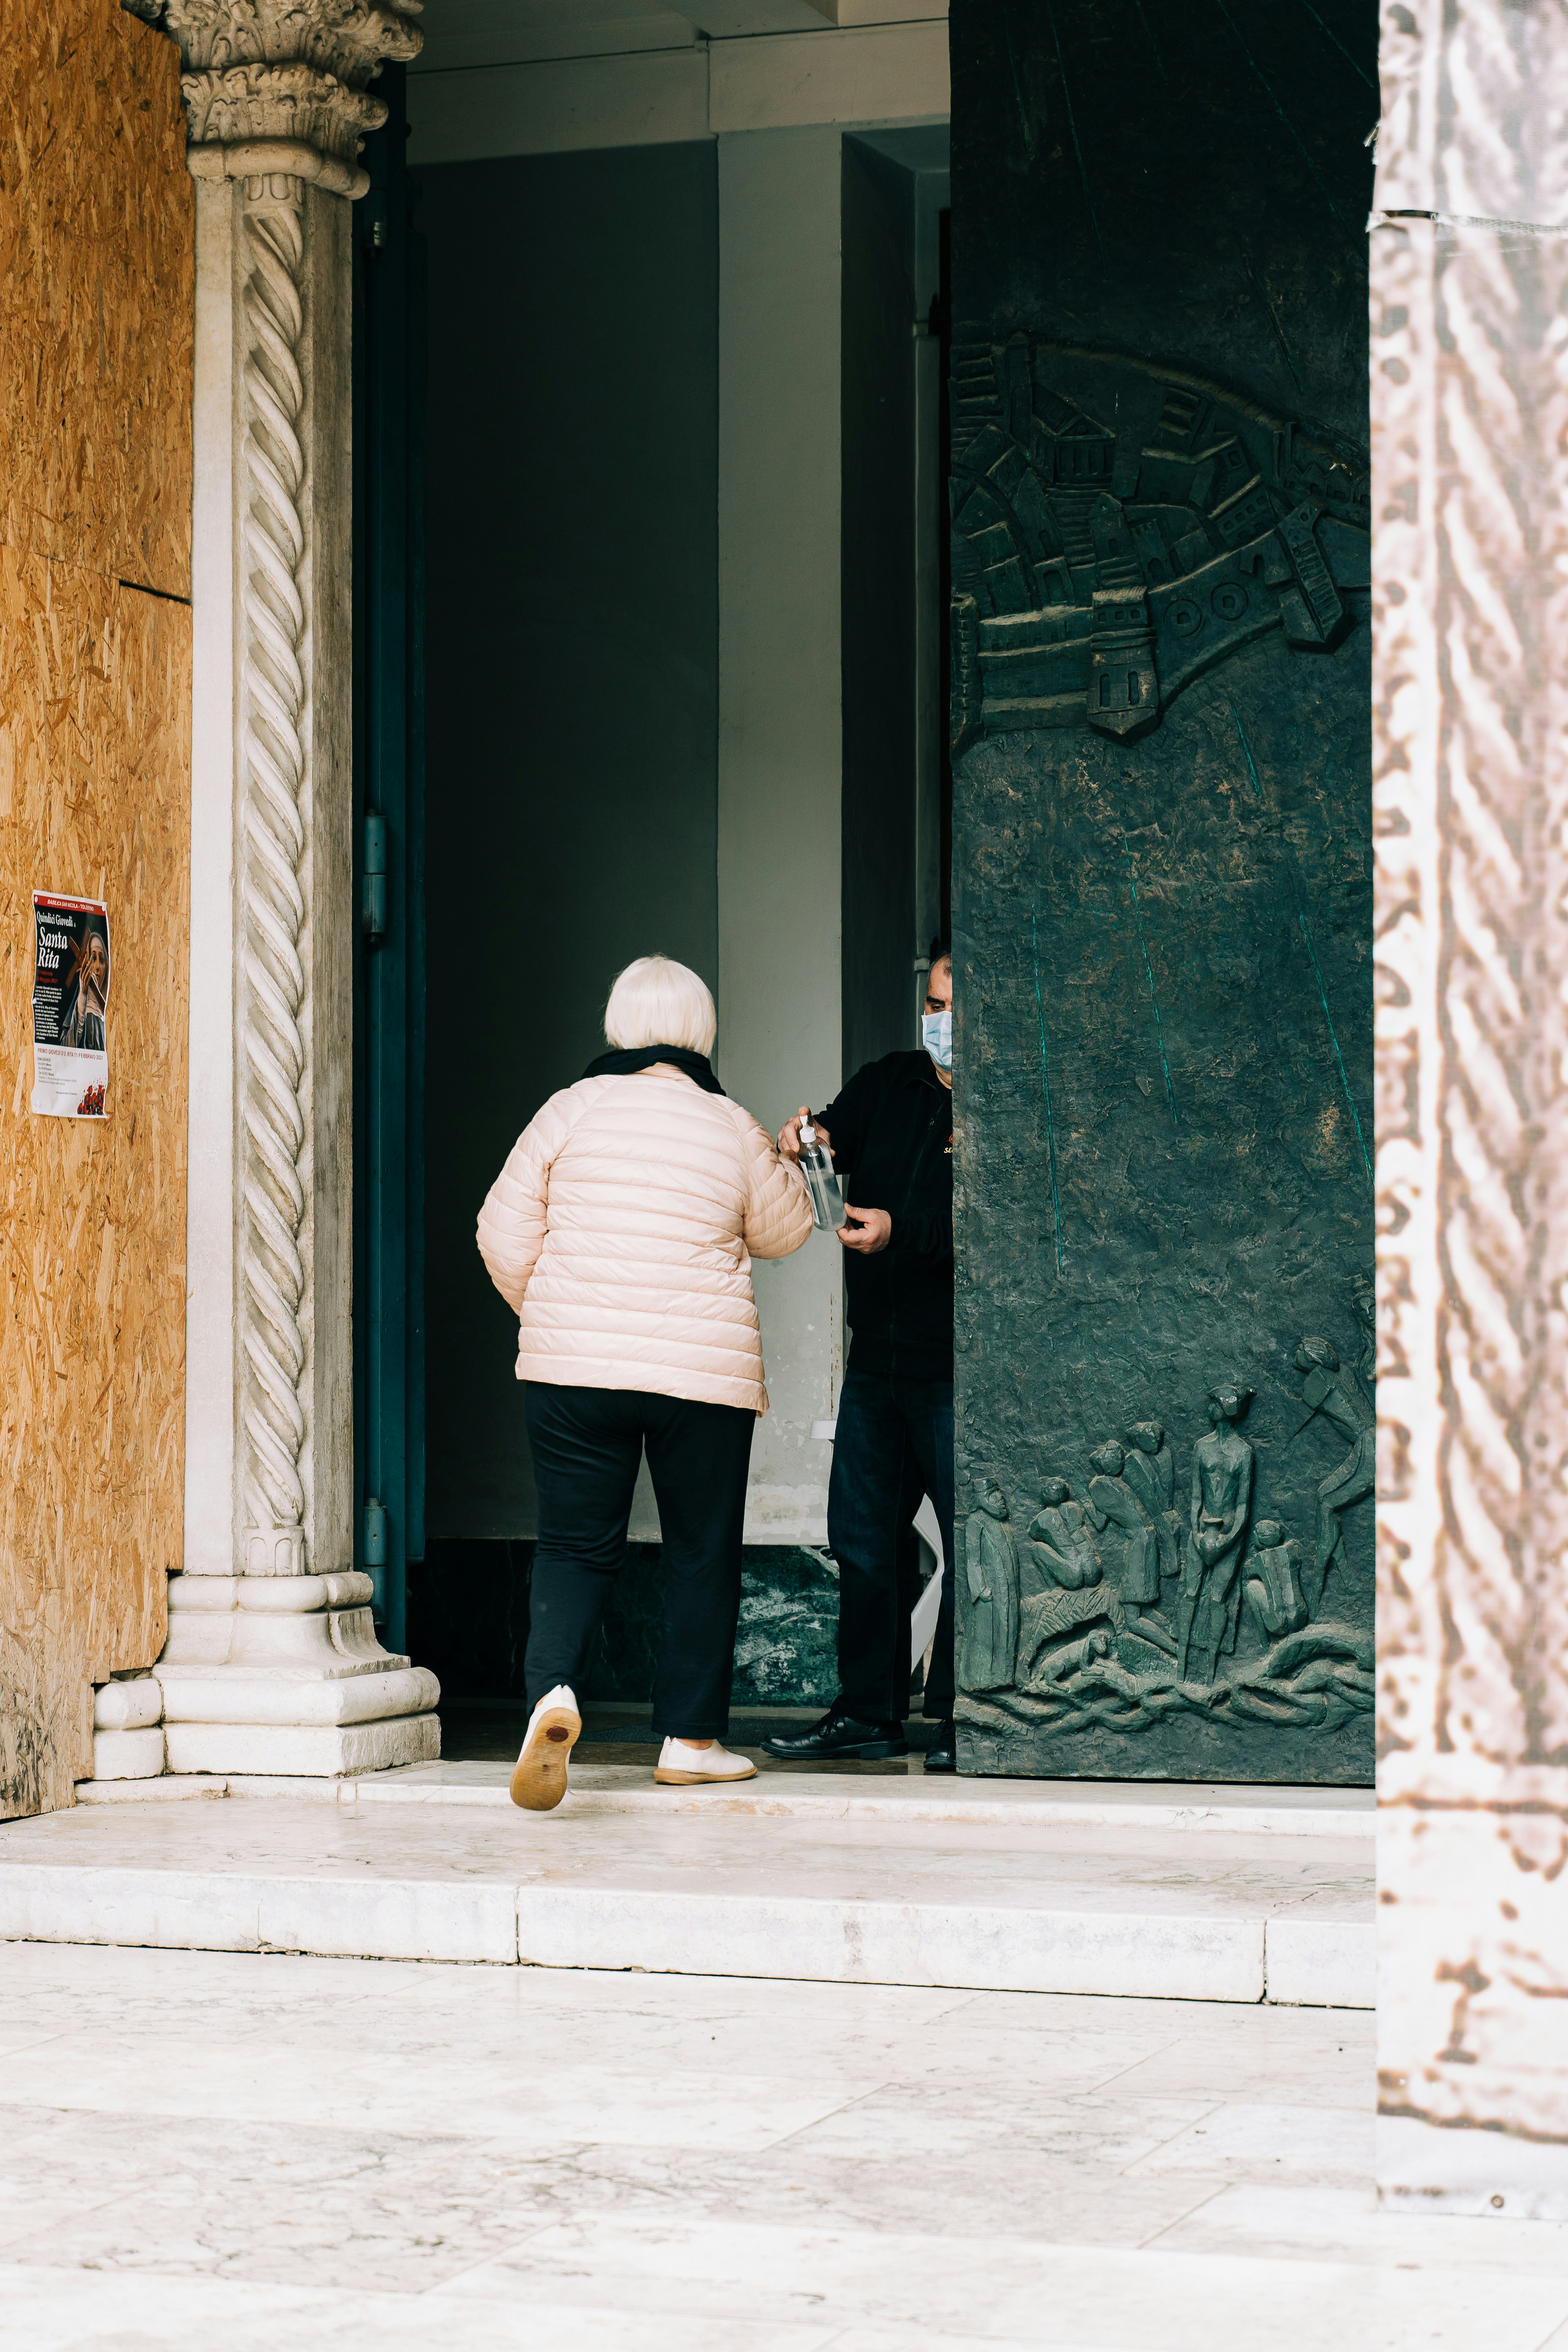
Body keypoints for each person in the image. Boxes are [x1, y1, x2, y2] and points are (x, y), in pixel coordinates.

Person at [477, 954, 813, 1810]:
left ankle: (552, 1696)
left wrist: (552, 1316)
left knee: (572, 1545)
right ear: (701, 1031)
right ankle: (690, 1740)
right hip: (699, 1379)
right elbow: (783, 1232)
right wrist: (787, 1159)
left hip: (572, 1370)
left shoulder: (568, 1112)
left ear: (615, 1025)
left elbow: (499, 1230)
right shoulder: (726, 1122)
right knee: (700, 1553)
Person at [762, 942, 957, 1772]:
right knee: (863, 1538)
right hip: (877, 1361)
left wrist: (900, 1233)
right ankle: (868, 1714)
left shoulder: (1022, 1099)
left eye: (956, 1009)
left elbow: (1010, 1229)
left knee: (974, 1544)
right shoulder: (891, 1080)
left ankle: (963, 1719)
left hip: (963, 1366)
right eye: (936, 1005)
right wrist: (805, 1141)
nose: (941, 1024)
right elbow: (831, 1139)